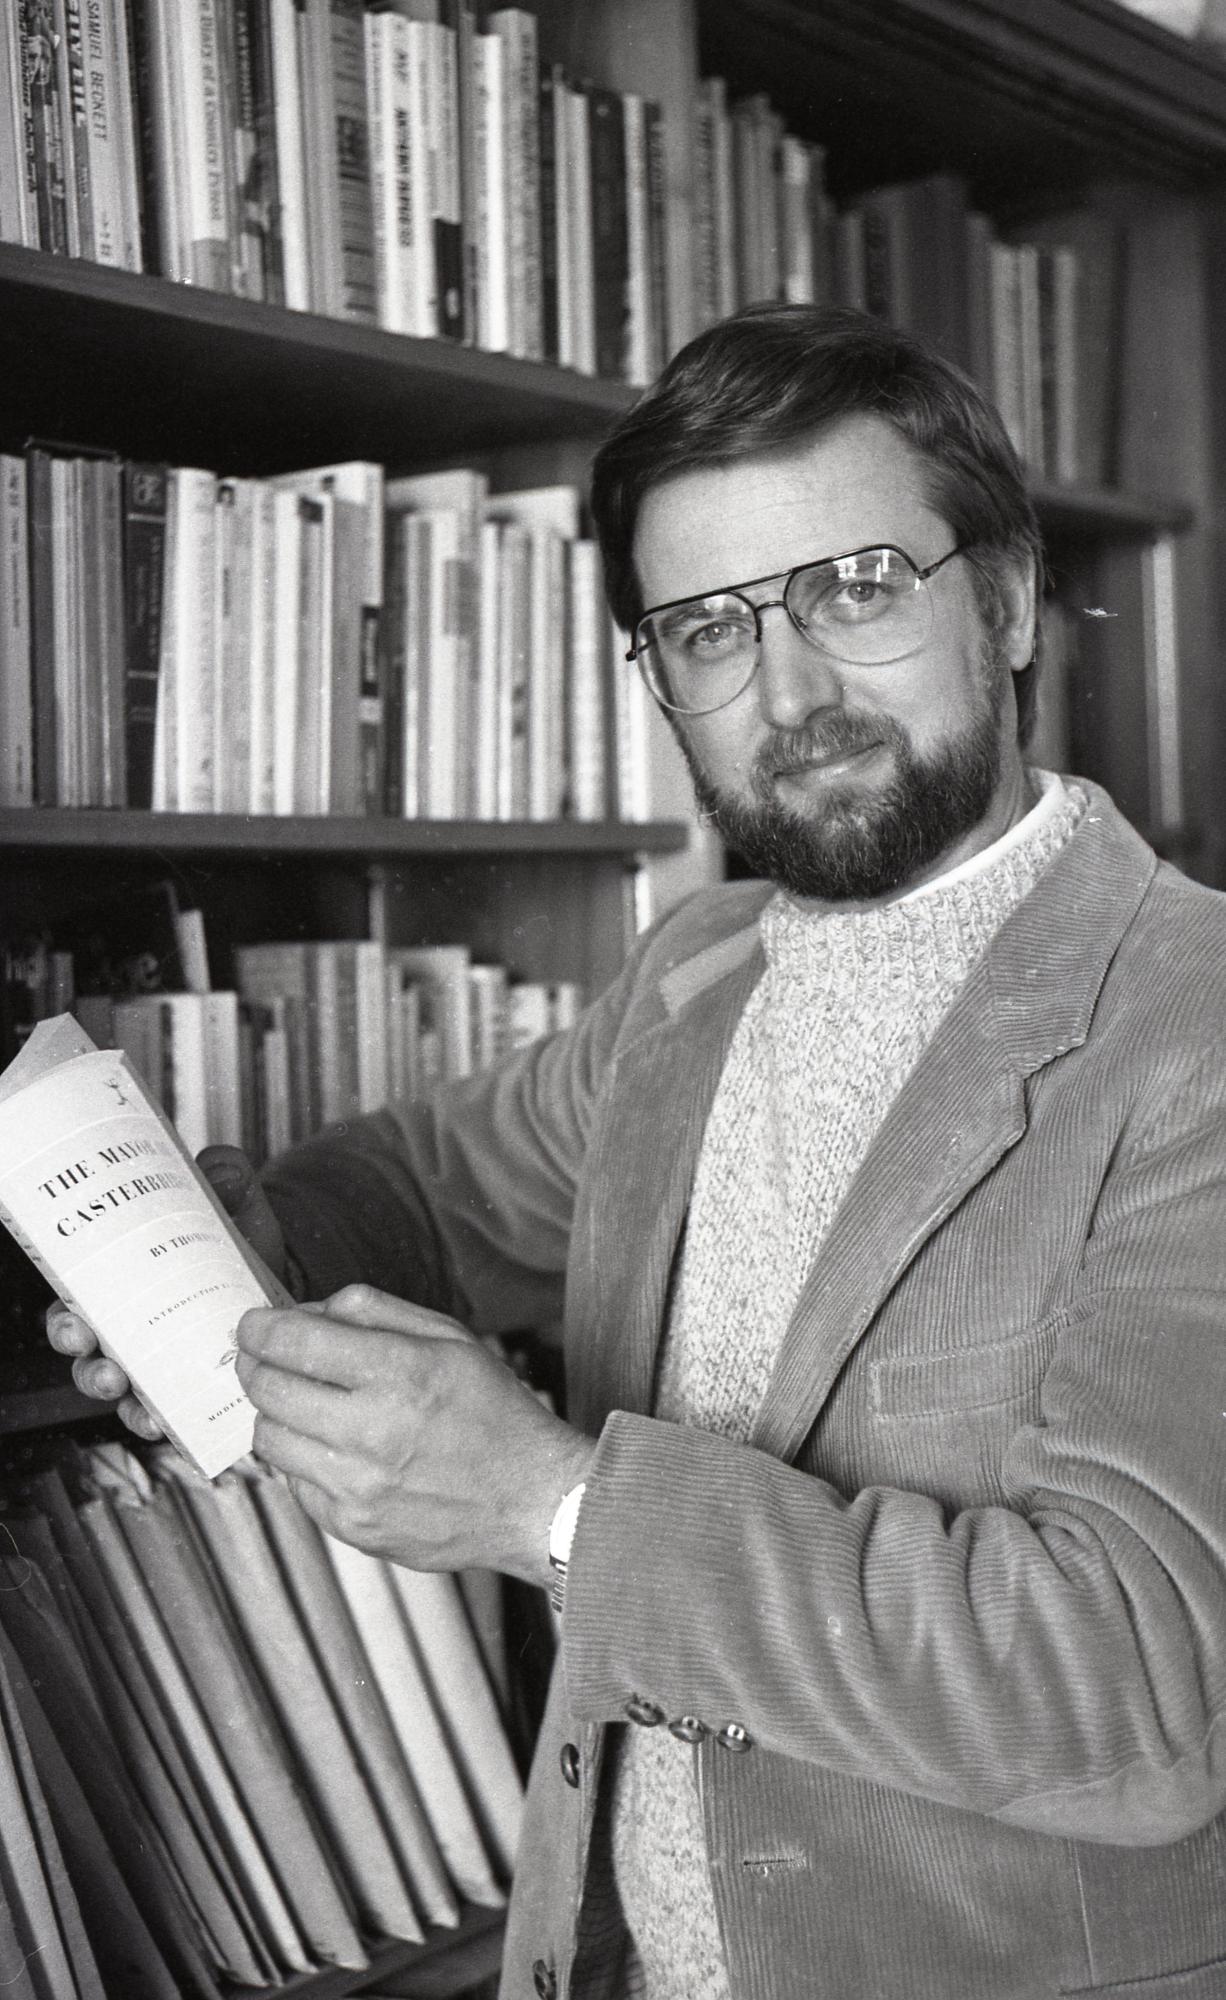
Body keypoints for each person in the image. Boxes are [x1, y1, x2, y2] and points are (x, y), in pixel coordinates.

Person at [49, 304, 1226, 2000]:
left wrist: (551, 1503)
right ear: (657, 678)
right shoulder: (696, 969)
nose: (792, 689)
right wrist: (203, 1260)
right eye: (707, 630)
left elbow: (1137, 1685)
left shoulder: (1190, 1018)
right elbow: (423, 1187)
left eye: (856, 587)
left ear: (1009, 595)